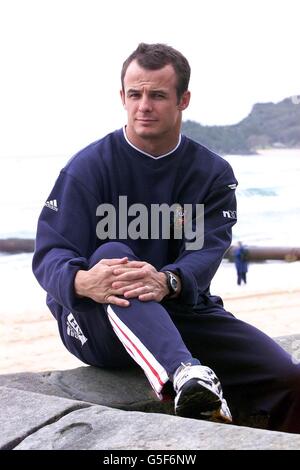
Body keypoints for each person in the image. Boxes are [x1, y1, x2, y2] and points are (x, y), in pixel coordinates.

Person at [33, 43, 300, 433]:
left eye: (157, 95)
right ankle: (184, 375)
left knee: (286, 376)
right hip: (98, 320)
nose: (144, 105)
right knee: (112, 253)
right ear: (122, 98)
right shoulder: (87, 168)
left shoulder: (211, 173)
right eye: (135, 94)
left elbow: (206, 252)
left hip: (181, 310)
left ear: (183, 100)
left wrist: (167, 280)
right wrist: (81, 281)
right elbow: (50, 252)